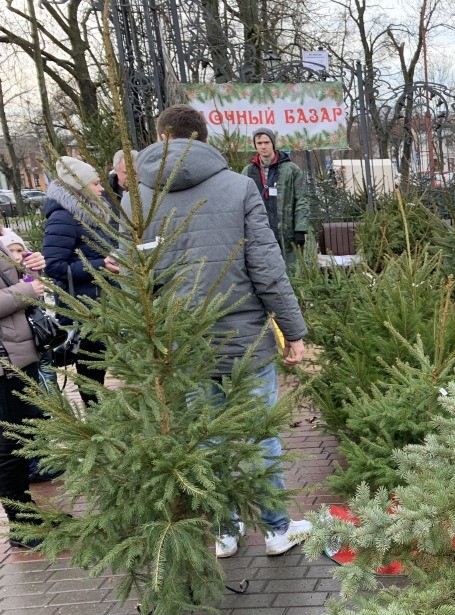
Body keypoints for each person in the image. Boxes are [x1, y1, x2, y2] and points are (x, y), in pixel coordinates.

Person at [117, 104, 310, 558]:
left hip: (181, 345)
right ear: (203, 138)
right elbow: (267, 267)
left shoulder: (136, 200)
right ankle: (278, 529)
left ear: (161, 138)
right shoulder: (240, 187)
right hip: (245, 340)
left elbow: (134, 282)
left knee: (207, 437)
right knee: (261, 432)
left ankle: (226, 530)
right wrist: (293, 331)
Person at [42, 156, 114, 401]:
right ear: (80, 188)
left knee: (100, 367)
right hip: (83, 309)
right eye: (95, 184)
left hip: (104, 303)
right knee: (90, 371)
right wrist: (100, 264)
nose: (101, 188)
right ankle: (96, 426)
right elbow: (53, 266)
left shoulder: (91, 215)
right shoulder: (63, 217)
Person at [0, 239, 48, 547]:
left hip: (19, 356)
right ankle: (20, 524)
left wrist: (31, 270)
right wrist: (28, 290)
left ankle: (30, 513)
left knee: (24, 437)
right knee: (8, 445)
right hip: (4, 365)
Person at [245, 127, 309, 272]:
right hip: (259, 233)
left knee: (292, 273)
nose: (263, 146)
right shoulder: (248, 171)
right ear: (255, 145)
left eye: (266, 142)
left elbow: (302, 200)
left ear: (273, 143)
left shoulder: (291, 170)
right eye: (259, 143)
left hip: (287, 232)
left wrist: (301, 228)